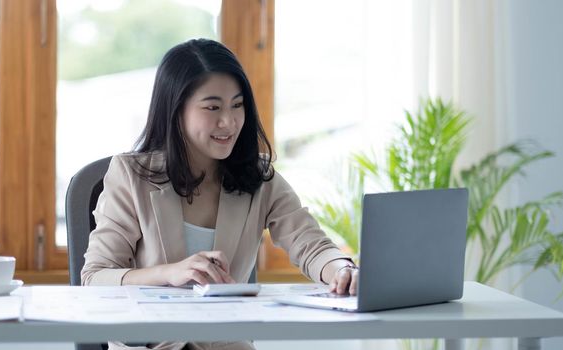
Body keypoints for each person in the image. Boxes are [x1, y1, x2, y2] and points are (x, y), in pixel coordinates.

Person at [81, 38, 359, 350]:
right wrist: (171, 273)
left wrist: (342, 270)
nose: (229, 121)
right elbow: (95, 278)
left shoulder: (259, 178)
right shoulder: (131, 175)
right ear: (176, 110)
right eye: (213, 107)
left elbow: (310, 244)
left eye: (237, 106)